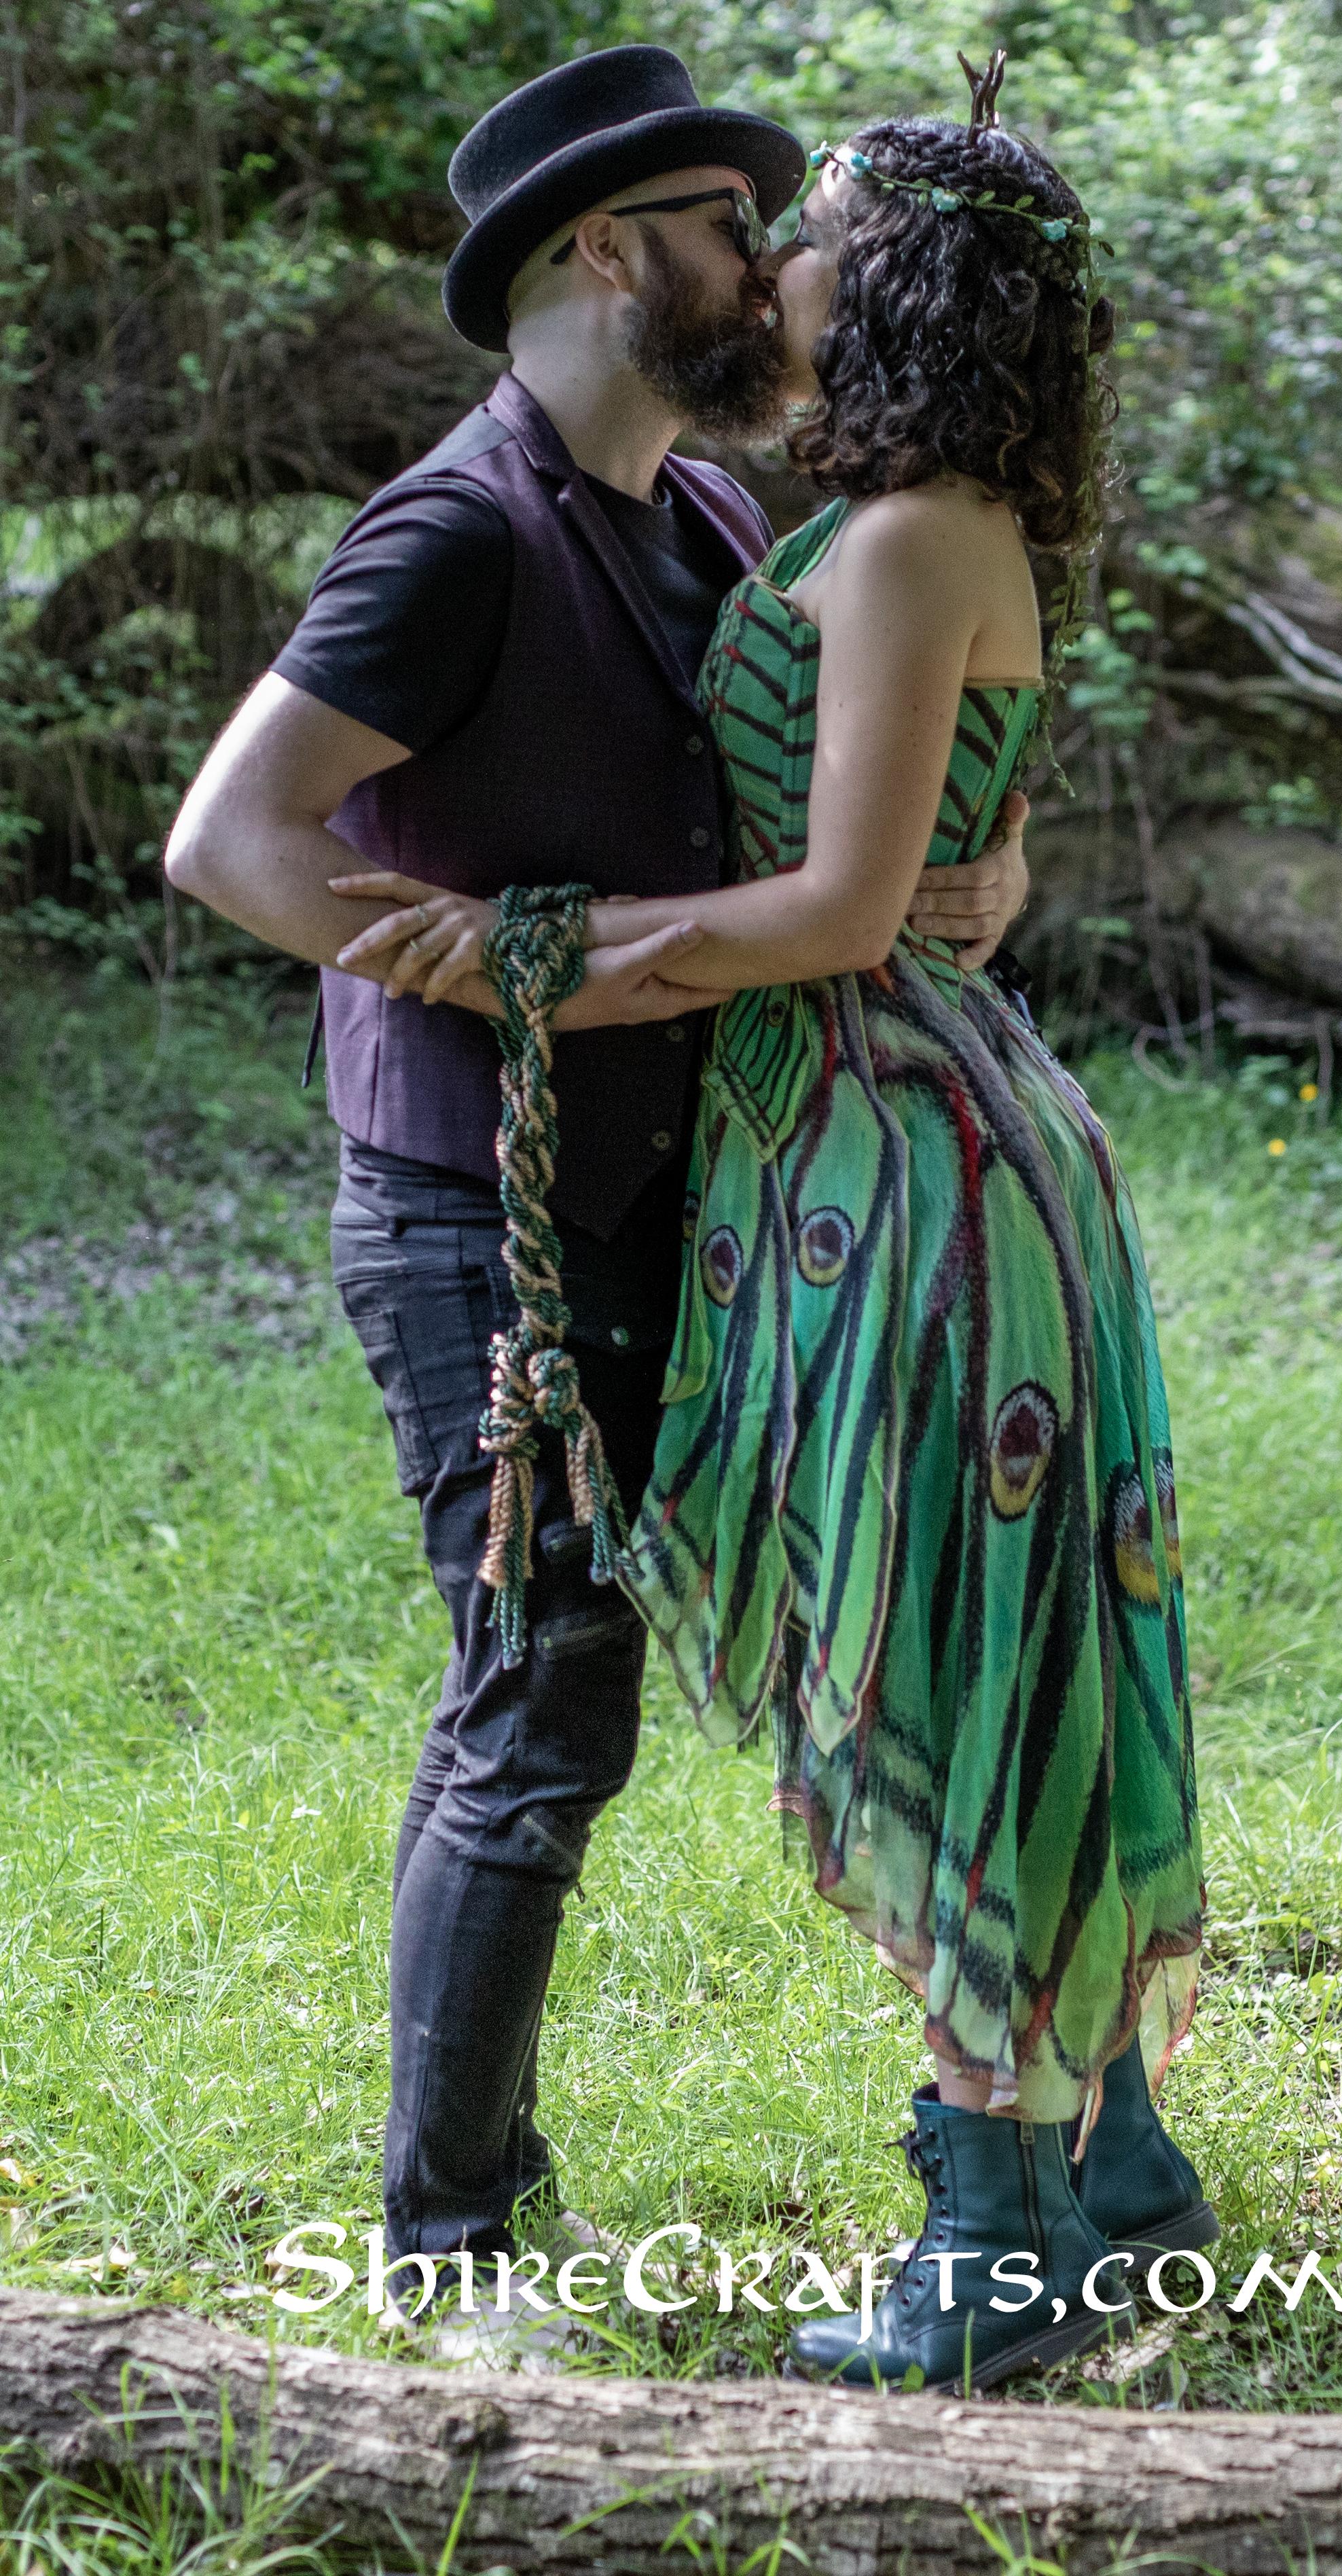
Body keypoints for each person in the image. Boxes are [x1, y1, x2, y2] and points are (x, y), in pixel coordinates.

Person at [344, 55, 1213, 2393]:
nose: (775, 262)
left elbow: (840, 911)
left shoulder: (911, 531)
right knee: (983, 1655)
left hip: (901, 1156)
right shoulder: (824, 520)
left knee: (944, 1662)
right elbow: (909, 853)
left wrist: (530, 950)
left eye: (805, 225)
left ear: (890, 281)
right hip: (854, 1143)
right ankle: (1111, 2184)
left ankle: (1002, 2237)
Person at [162, 45, 1030, 2363]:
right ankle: (445, 2259)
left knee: (640, 1681)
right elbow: (230, 843)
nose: (770, 268)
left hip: (698, 1191)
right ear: (596, 254)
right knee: (538, 1701)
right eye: (728, 228)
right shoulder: (457, 531)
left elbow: (826, 833)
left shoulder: (721, 527)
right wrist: (468, 967)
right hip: (481, 1215)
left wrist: (954, 877)